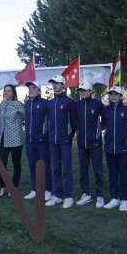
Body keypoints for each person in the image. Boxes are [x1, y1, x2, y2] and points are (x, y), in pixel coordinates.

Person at [45, 75, 77, 209]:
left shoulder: (69, 102)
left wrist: (69, 136)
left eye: (57, 83)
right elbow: (48, 121)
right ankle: (58, 195)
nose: (54, 85)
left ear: (63, 85)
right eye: (53, 83)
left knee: (67, 169)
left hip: (65, 141)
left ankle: (68, 196)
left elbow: (73, 122)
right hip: (53, 141)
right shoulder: (50, 103)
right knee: (56, 168)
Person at [101, 86, 127, 211]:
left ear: (121, 96)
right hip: (109, 147)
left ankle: (124, 200)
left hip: (123, 148)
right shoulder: (106, 110)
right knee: (112, 174)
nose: (113, 96)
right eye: (111, 94)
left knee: (123, 175)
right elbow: (103, 125)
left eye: (116, 94)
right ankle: (114, 198)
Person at [75, 81, 104, 208]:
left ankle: (100, 195)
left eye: (84, 90)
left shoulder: (97, 104)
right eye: (80, 90)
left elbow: (106, 118)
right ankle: (86, 194)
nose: (82, 92)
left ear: (90, 91)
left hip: (95, 144)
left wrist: (98, 131)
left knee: (98, 170)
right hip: (82, 143)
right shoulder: (77, 105)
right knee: (83, 171)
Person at [23, 81, 52, 201]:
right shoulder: (26, 104)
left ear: (39, 91)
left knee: (44, 165)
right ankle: (35, 189)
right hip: (29, 141)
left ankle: (47, 190)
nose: (31, 90)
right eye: (30, 88)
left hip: (42, 141)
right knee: (32, 166)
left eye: (34, 88)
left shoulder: (45, 103)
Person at [0, 84, 25, 197]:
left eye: (8, 91)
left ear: (13, 93)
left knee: (16, 163)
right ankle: (3, 186)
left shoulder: (18, 104)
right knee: (1, 163)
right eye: (5, 91)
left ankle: (13, 186)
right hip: (2, 138)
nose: (6, 93)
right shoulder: (1, 105)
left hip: (15, 139)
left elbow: (25, 116)